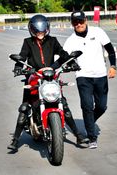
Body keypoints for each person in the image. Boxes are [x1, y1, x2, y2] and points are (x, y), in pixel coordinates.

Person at [7, 14, 87, 152]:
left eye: (43, 30)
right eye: (37, 30)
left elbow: (62, 53)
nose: (40, 33)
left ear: (47, 29)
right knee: (25, 108)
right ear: (32, 30)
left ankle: (78, 135)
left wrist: (71, 62)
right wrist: (19, 68)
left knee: (64, 105)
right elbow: (23, 56)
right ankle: (15, 139)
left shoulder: (52, 41)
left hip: (50, 77)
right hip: (34, 76)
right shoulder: (27, 42)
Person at [63, 10, 116, 149]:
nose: (79, 24)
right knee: (87, 106)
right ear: (72, 24)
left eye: (81, 21)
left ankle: (89, 122)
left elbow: (110, 50)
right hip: (83, 77)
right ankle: (92, 136)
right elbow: (62, 58)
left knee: (101, 106)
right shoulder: (70, 41)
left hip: (100, 75)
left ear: (86, 20)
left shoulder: (98, 32)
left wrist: (113, 67)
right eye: (75, 22)